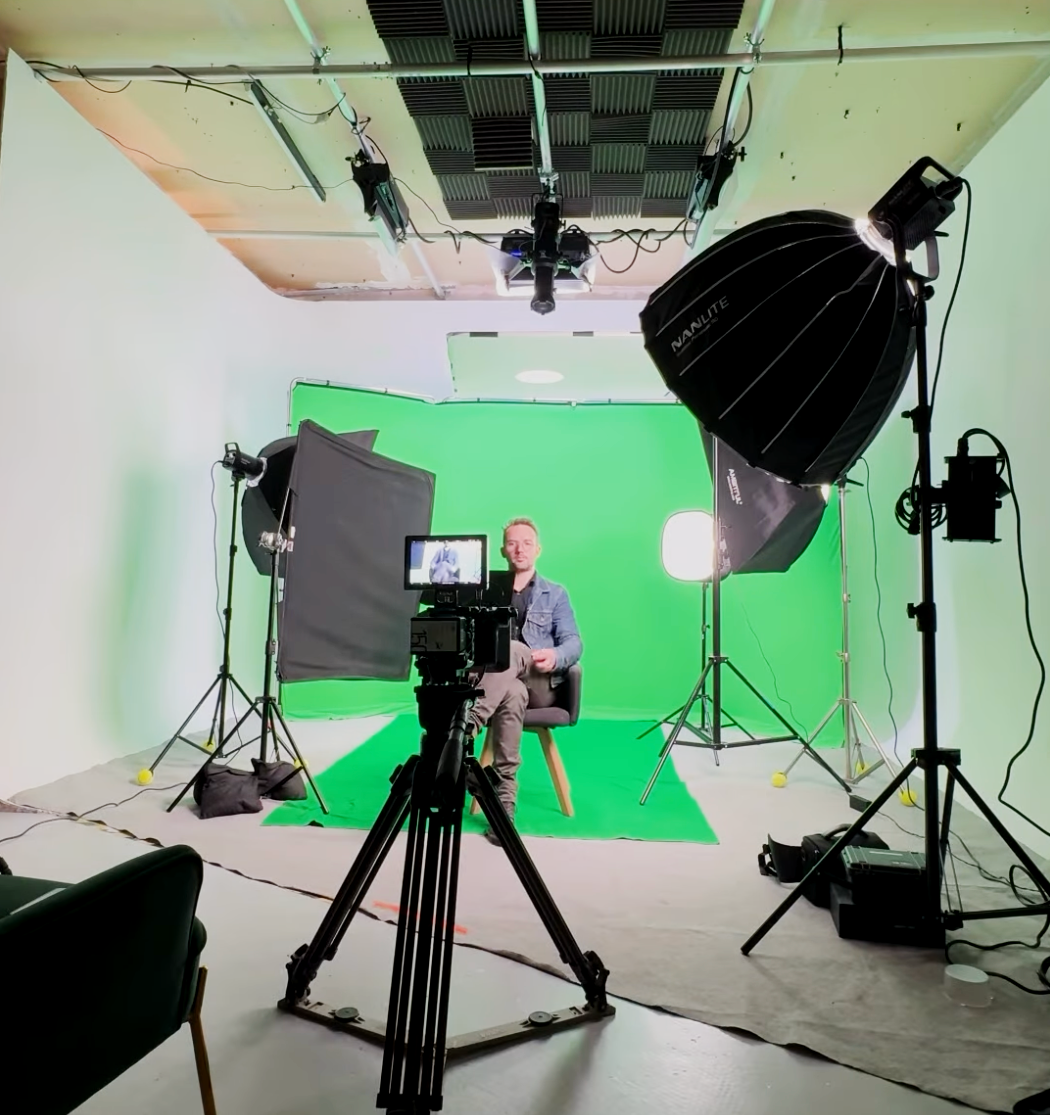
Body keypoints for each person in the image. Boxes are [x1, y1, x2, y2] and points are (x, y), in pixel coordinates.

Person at [468, 518, 582, 844]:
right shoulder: (481, 589)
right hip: (499, 685)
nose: (520, 549)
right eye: (512, 543)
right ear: (503, 550)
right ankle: (504, 807)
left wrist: (555, 656)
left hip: (539, 683)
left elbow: (574, 642)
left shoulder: (555, 594)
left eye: (527, 543)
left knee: (516, 649)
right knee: (513, 691)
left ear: (538, 549)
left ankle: (466, 728)